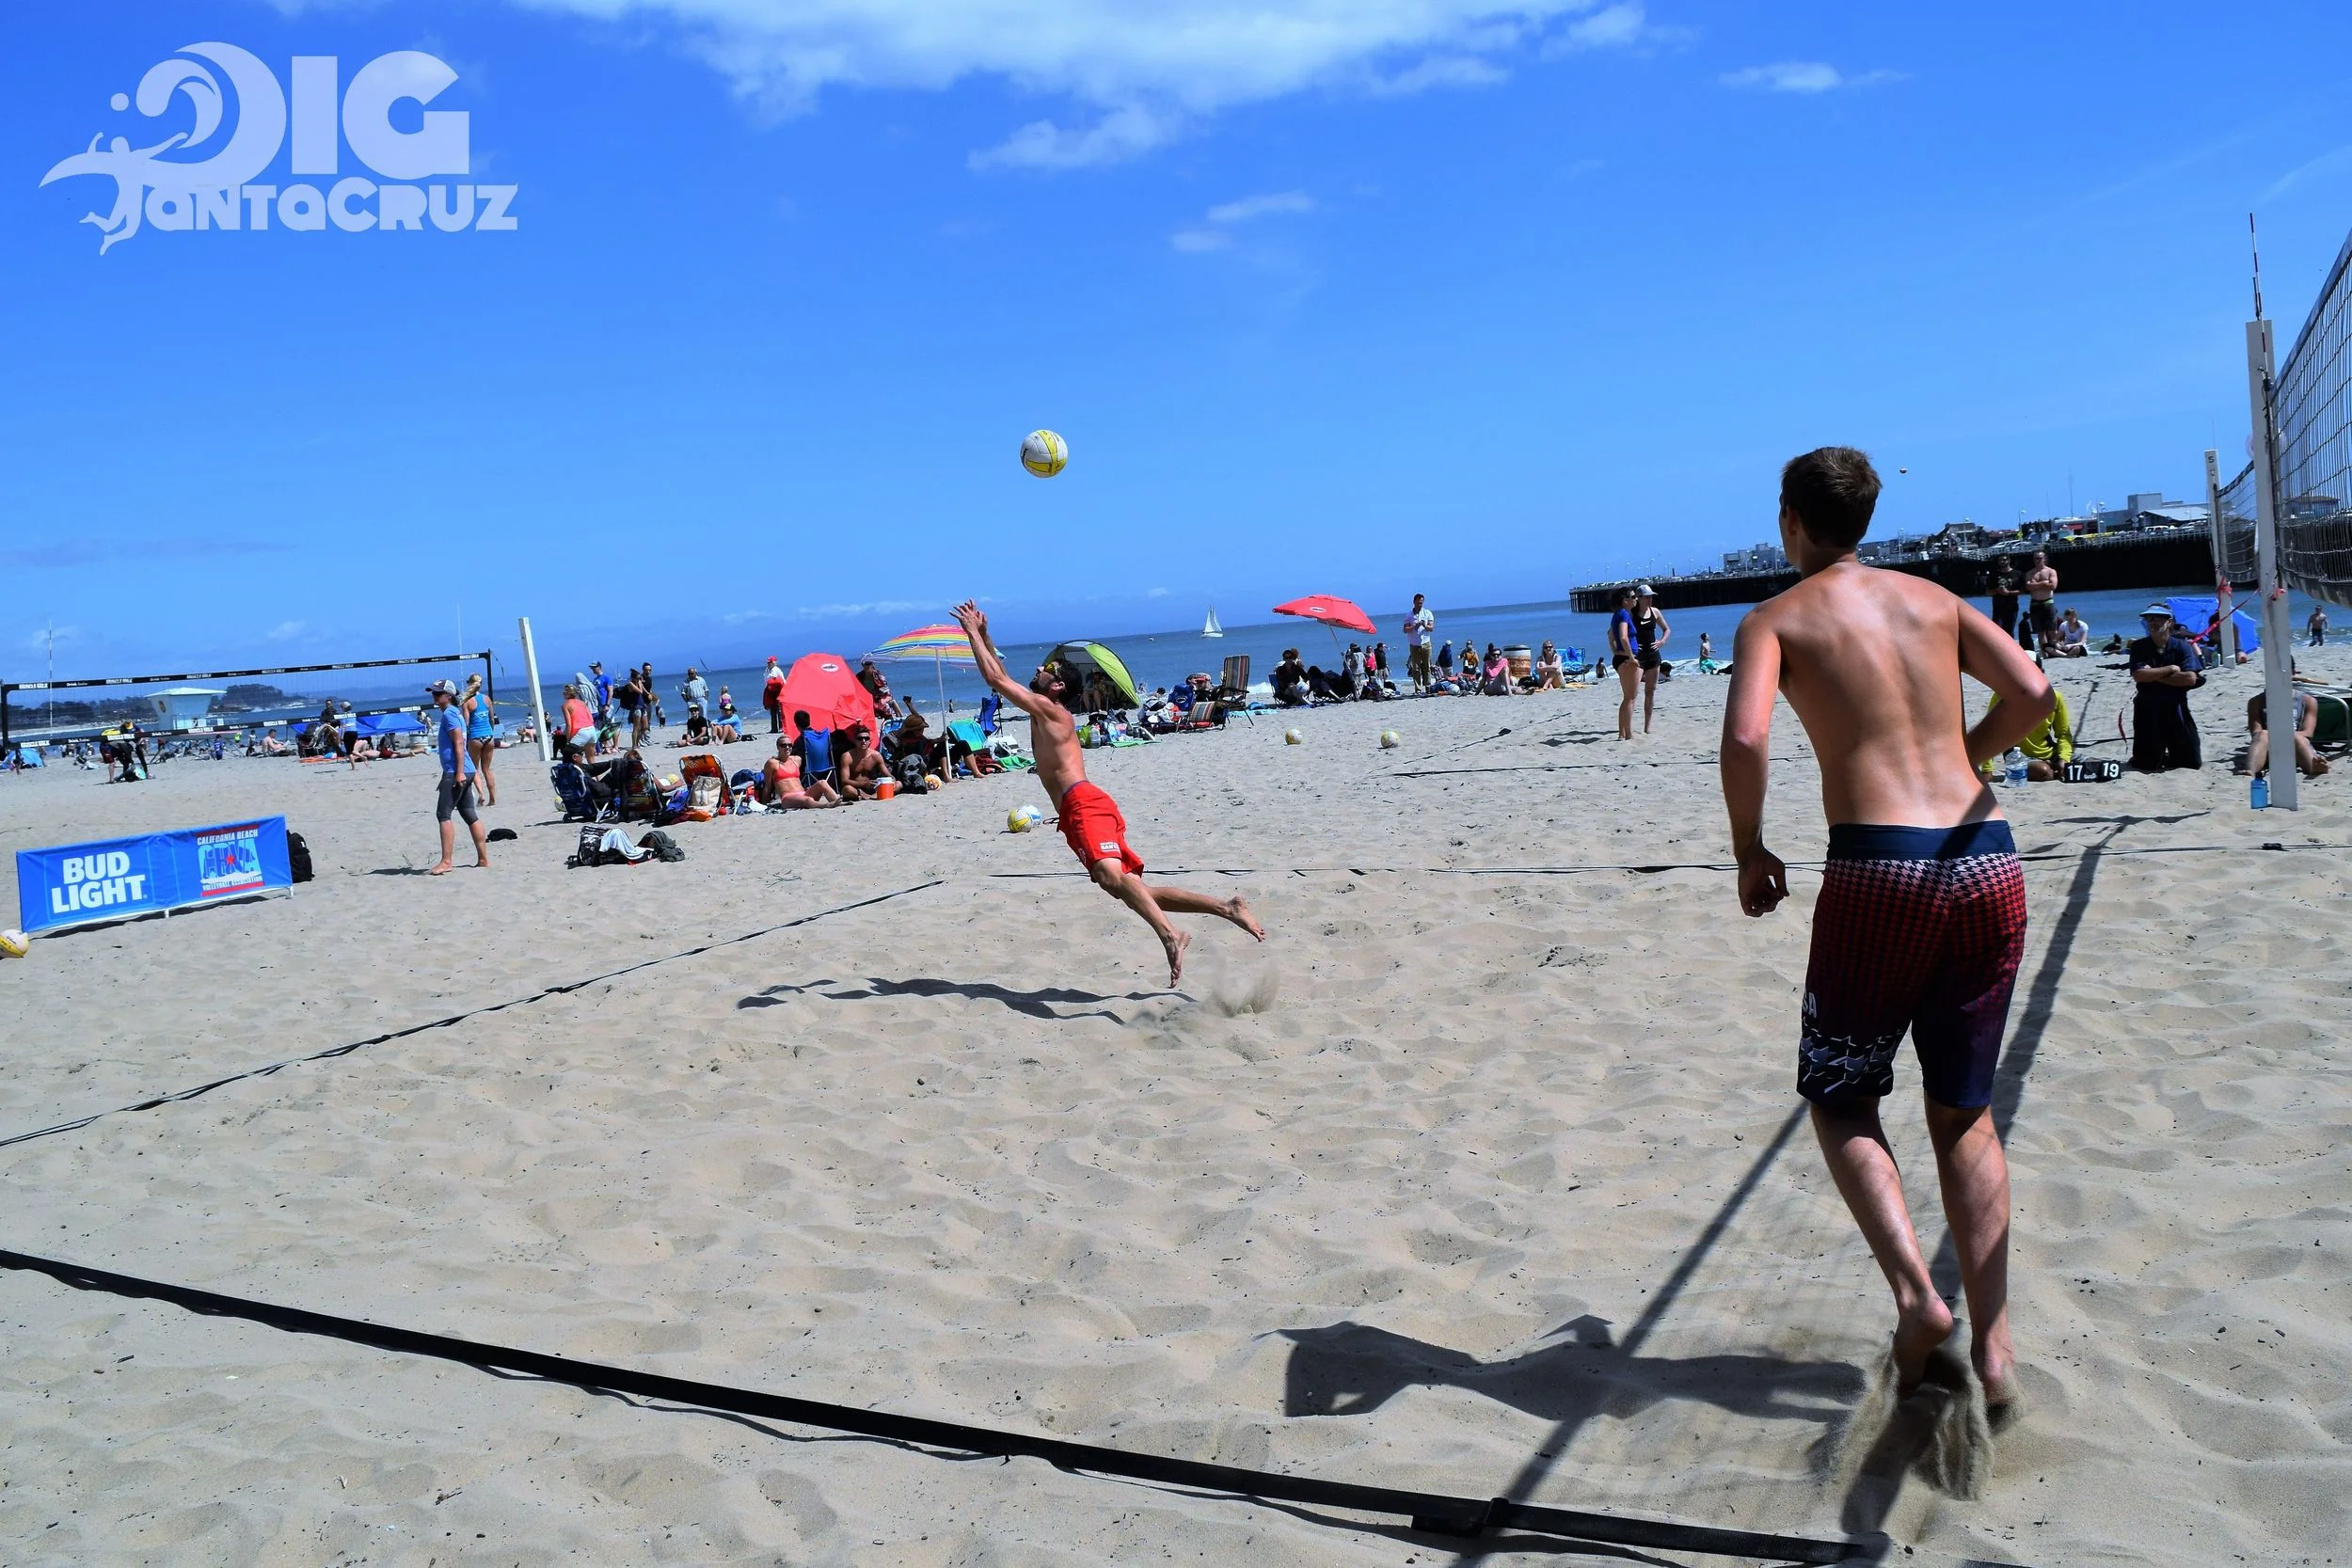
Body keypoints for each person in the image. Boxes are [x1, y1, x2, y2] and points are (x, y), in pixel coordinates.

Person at [1719, 446, 2053, 1410]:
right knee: (1965, 1114)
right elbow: (2033, 694)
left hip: (1879, 869)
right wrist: (1965, 750)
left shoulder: (1773, 618)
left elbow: (1745, 737)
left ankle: (1917, 1295)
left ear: (1788, 517)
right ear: (1865, 517)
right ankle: (1994, 1345)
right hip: (1984, 852)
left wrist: (1750, 845)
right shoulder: (1935, 599)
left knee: (1841, 1091)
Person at [955, 599, 1263, 984]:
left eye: (1045, 669)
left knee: (1110, 877)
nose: (1037, 668)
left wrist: (970, 633)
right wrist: (984, 633)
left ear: (1058, 686)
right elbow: (1001, 675)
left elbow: (996, 681)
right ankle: (1227, 907)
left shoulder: (1051, 711)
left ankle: (1170, 935)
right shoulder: (1041, 708)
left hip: (1084, 803)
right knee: (1131, 888)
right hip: (1078, 807)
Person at [2128, 604, 2203, 772]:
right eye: (2149, 618)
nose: (2152, 622)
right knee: (2146, 764)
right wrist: (2170, 669)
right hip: (2148, 705)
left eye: (2157, 618)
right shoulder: (2139, 646)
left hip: (2175, 705)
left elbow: (2190, 679)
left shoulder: (2182, 646)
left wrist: (2153, 674)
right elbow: (2139, 676)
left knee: (2191, 762)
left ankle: (2171, 753)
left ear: (2169, 622)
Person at [426, 680, 490, 875]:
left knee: (443, 814)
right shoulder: (455, 712)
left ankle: (446, 862)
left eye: (438, 694)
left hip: (457, 771)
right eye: (433, 694)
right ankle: (483, 859)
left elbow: (459, 744)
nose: (435, 698)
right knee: (469, 814)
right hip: (463, 770)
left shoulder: (450, 714)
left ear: (448, 695)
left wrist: (459, 772)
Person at [2242, 670, 2330, 780]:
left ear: (2293, 673)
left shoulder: (2307, 700)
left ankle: (2313, 767)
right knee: (2262, 734)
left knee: (2296, 737)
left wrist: (2284, 735)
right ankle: (2251, 771)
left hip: (2296, 750)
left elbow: (2308, 733)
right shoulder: (2256, 701)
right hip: (2268, 749)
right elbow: (2255, 732)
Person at [1976, 688, 2074, 781]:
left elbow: (2064, 734)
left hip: (2051, 753)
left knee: (2087, 763)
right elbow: (1990, 732)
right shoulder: (2003, 696)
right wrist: (1987, 770)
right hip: (2017, 755)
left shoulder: (2055, 697)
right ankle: (2053, 769)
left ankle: (2055, 768)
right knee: (2044, 771)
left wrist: (2063, 758)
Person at [1631, 585, 1670, 733]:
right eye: (1647, 597)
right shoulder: (1631, 614)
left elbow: (1667, 629)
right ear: (1639, 598)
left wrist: (1662, 641)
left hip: (1653, 656)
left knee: (1650, 691)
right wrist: (1630, 646)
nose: (1650, 599)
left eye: (1651, 597)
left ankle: (1647, 727)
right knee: (1633, 693)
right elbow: (1618, 633)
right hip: (1637, 658)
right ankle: (1627, 727)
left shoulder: (1655, 612)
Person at [759, 735, 838, 807]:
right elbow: (767, 786)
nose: (787, 747)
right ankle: (825, 805)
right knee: (808, 800)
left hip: (803, 793)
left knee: (822, 783)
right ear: (778, 747)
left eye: (790, 745)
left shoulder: (797, 760)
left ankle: (837, 802)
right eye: (783, 745)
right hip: (787, 798)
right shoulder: (772, 763)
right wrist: (764, 803)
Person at [462, 673, 499, 806]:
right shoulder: (487, 699)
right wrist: (491, 733)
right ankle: (493, 799)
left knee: (474, 769)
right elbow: (491, 719)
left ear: (469, 684)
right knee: (487, 769)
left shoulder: (467, 702)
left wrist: (463, 740)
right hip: (489, 736)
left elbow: (466, 724)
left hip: (475, 737)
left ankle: (481, 795)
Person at [1608, 589, 1640, 737]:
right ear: (1624, 600)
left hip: (1622, 657)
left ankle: (1622, 733)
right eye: (1633, 597)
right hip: (1627, 659)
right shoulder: (1624, 614)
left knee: (1628, 696)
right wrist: (1631, 657)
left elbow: (1610, 634)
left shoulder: (1619, 614)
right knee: (1630, 697)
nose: (1636, 599)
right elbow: (1623, 636)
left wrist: (1616, 651)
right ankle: (1628, 734)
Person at [790, 709, 837, 797]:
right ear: (809, 721)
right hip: (827, 771)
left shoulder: (802, 739)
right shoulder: (823, 736)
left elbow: (794, 761)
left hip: (810, 775)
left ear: (797, 725)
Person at [2023, 550, 2058, 655]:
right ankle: (2045, 653)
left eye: (2040, 558)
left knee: (2052, 630)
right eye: (2036, 558)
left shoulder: (2051, 571)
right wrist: (2043, 583)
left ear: (2045, 559)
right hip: (2035, 604)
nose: (2038, 560)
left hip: (2048, 602)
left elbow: (2053, 586)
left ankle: (2054, 650)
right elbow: (2028, 587)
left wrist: (2036, 585)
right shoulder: (2030, 573)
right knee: (2040, 631)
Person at [1404, 594, 1436, 691]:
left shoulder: (1427, 613)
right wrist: (1414, 626)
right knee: (1416, 668)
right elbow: (1405, 629)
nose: (1420, 605)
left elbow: (1431, 628)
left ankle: (1428, 687)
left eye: (1421, 603)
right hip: (1414, 644)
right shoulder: (1409, 615)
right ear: (1414, 602)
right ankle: (1418, 688)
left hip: (1426, 643)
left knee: (1427, 667)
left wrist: (1424, 625)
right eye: (1418, 603)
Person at [1987, 554, 2021, 644]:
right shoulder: (1993, 575)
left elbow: (2022, 591)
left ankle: (2011, 649)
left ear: (2009, 560)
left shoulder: (2017, 574)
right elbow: (1988, 592)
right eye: (2000, 560)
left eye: (2004, 560)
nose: (2002, 562)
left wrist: (2008, 593)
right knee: (1997, 629)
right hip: (1998, 608)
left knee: (2009, 630)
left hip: (2012, 607)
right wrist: (1997, 590)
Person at [761, 657, 787, 734]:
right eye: (768, 662)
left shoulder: (777, 670)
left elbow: (781, 681)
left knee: (779, 710)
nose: (769, 664)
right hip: (770, 691)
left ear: (774, 662)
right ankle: (774, 728)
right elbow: (766, 681)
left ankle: (782, 727)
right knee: (772, 710)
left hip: (778, 691)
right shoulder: (767, 670)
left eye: (770, 662)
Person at [590, 662, 613, 728]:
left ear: (599, 667)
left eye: (594, 667)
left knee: (610, 724)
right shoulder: (595, 680)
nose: (593, 669)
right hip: (599, 706)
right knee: (602, 725)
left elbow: (610, 691)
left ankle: (616, 738)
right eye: (592, 668)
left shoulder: (606, 678)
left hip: (606, 704)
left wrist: (607, 704)